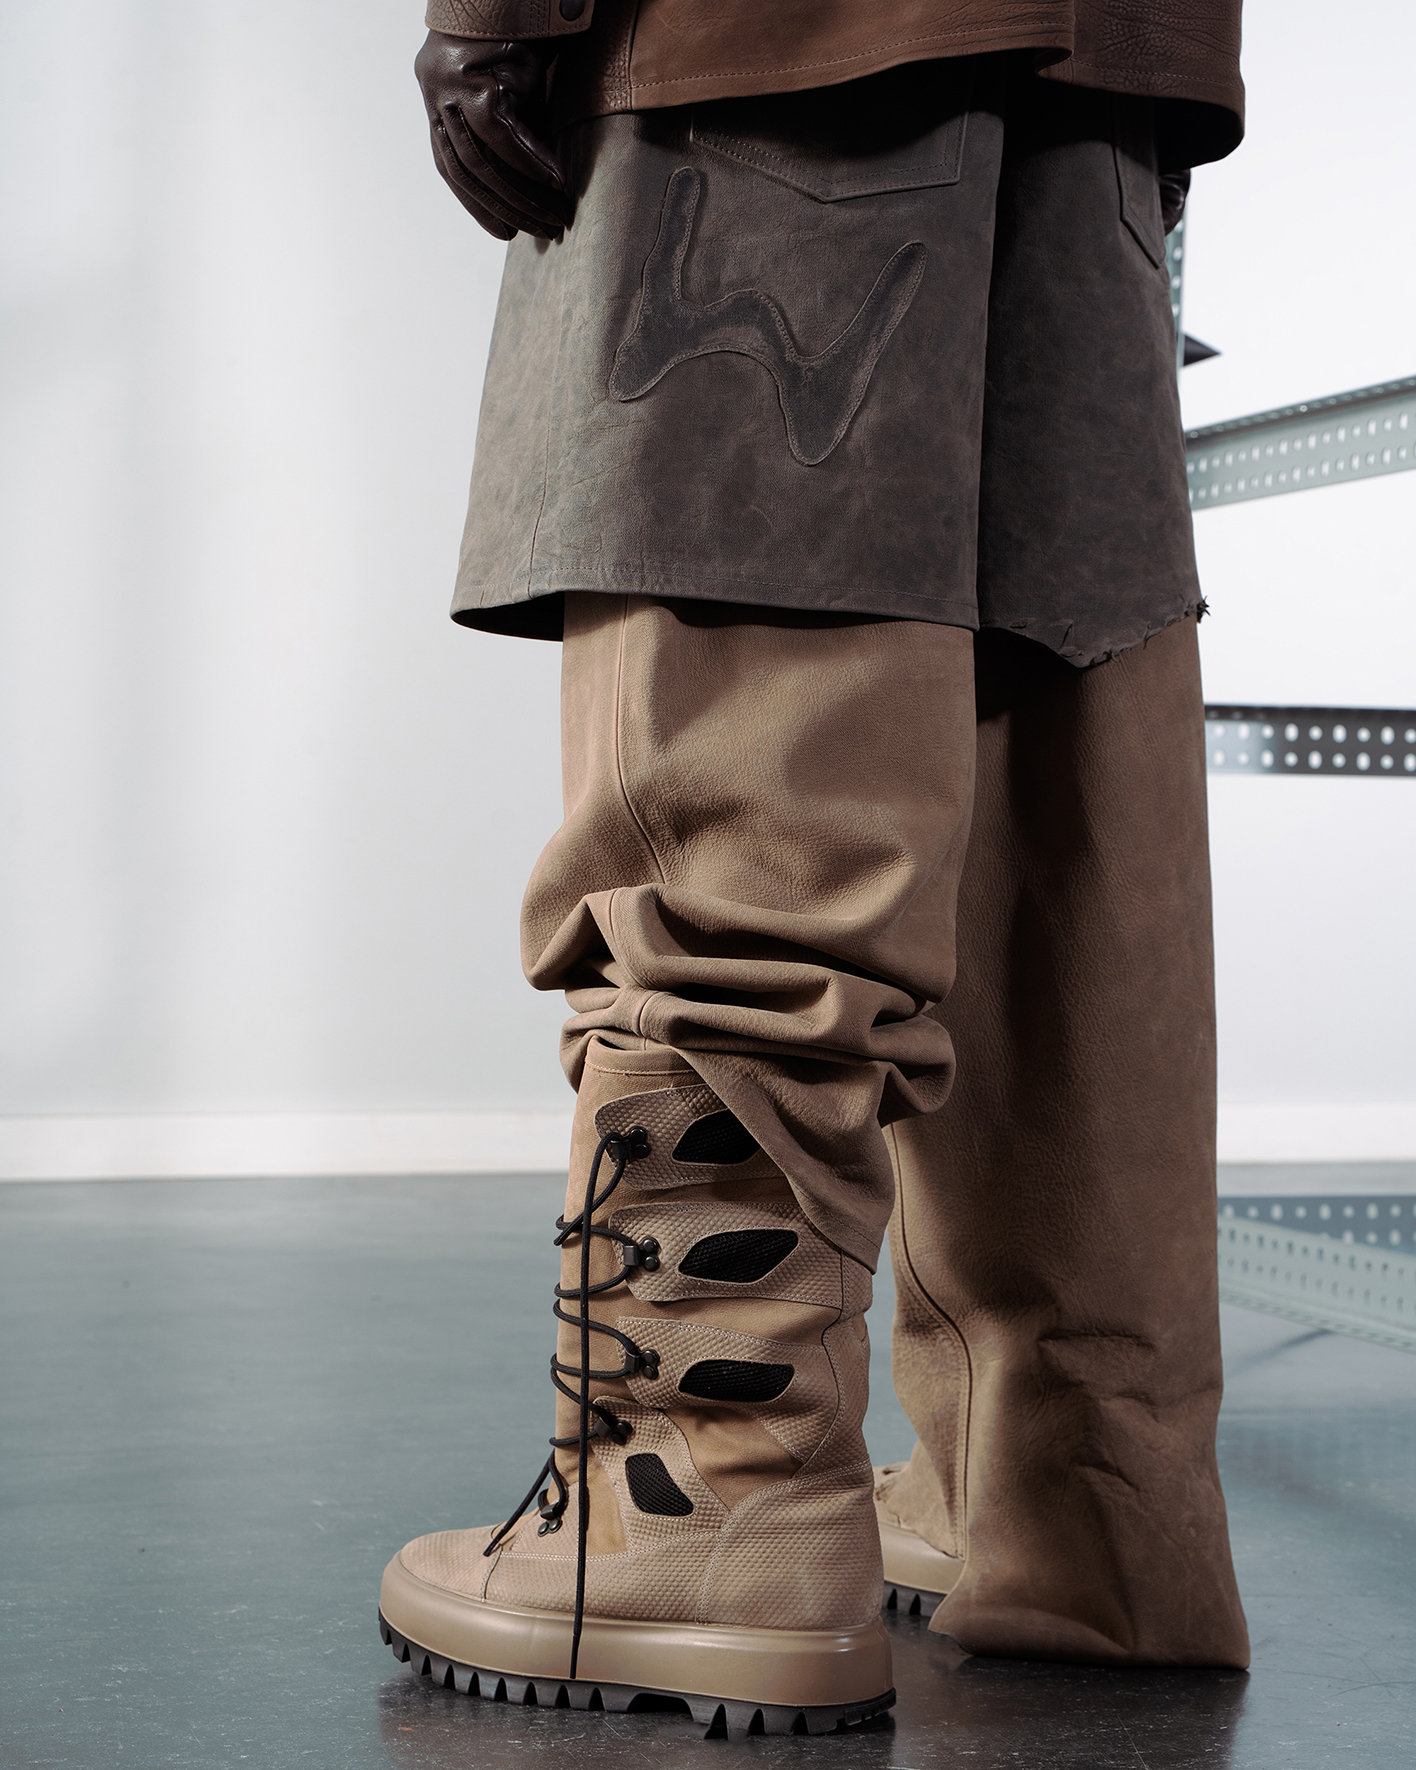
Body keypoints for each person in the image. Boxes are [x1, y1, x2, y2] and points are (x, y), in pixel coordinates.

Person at [377, 1, 1251, 1738]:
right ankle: (1085, 1507)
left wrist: (493, 14)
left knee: (738, 759)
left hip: (777, 31)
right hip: (1116, 54)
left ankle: (700, 1496)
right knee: (1055, 733)